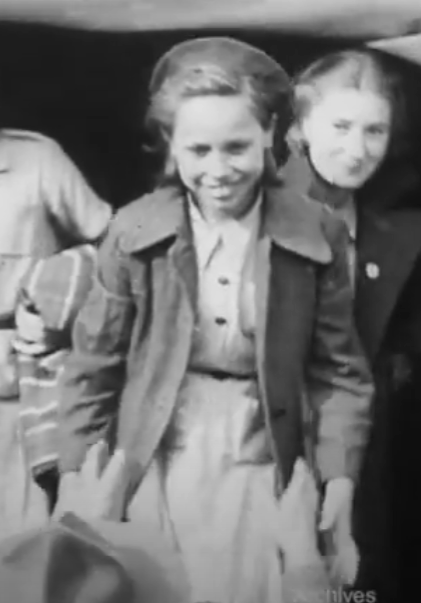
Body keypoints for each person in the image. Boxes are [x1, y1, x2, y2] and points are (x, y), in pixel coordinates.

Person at [56, 38, 373, 602]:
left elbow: (338, 372)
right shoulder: (134, 234)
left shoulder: (314, 231)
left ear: (270, 136)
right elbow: (93, 367)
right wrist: (78, 476)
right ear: (171, 146)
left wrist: (339, 476)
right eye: (198, 150)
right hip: (157, 450)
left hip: (262, 452)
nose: (219, 169)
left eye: (237, 147)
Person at [287, 48, 421, 603]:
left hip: (364, 457)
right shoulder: (252, 205)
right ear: (299, 127)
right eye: (340, 126)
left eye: (375, 131)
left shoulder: (398, 232)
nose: (356, 148)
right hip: (265, 444)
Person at [0, 129, 112, 538]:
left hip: (17, 391)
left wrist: (58, 309)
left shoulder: (37, 160)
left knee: (19, 547)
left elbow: (115, 251)